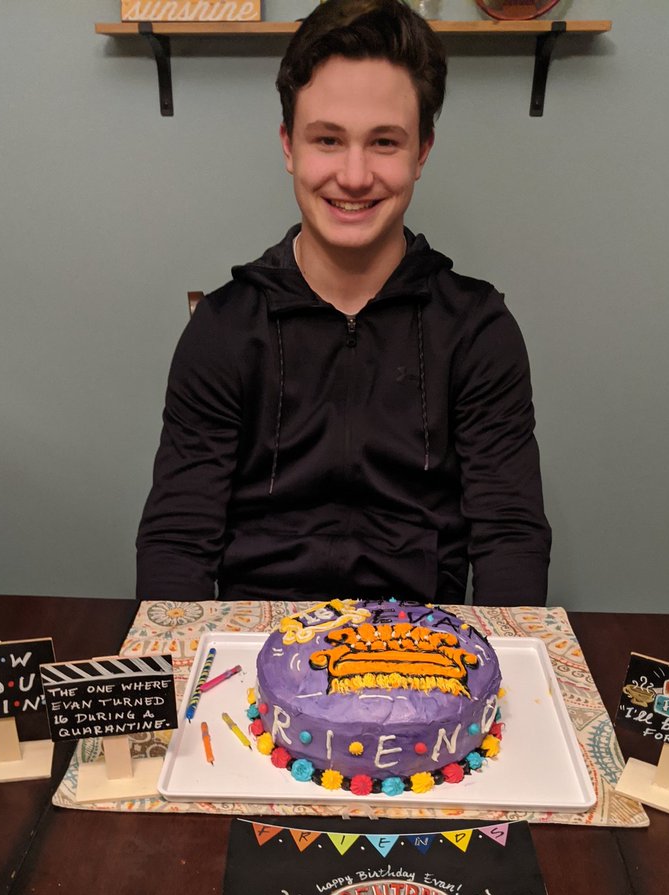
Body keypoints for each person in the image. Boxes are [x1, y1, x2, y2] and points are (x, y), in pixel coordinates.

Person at [136, 0, 551, 604]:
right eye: (327, 140)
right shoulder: (222, 330)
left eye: (384, 142)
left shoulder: (478, 330)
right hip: (251, 650)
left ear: (423, 151)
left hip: (422, 650)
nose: (354, 177)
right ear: (288, 147)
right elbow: (177, 539)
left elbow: (509, 535)